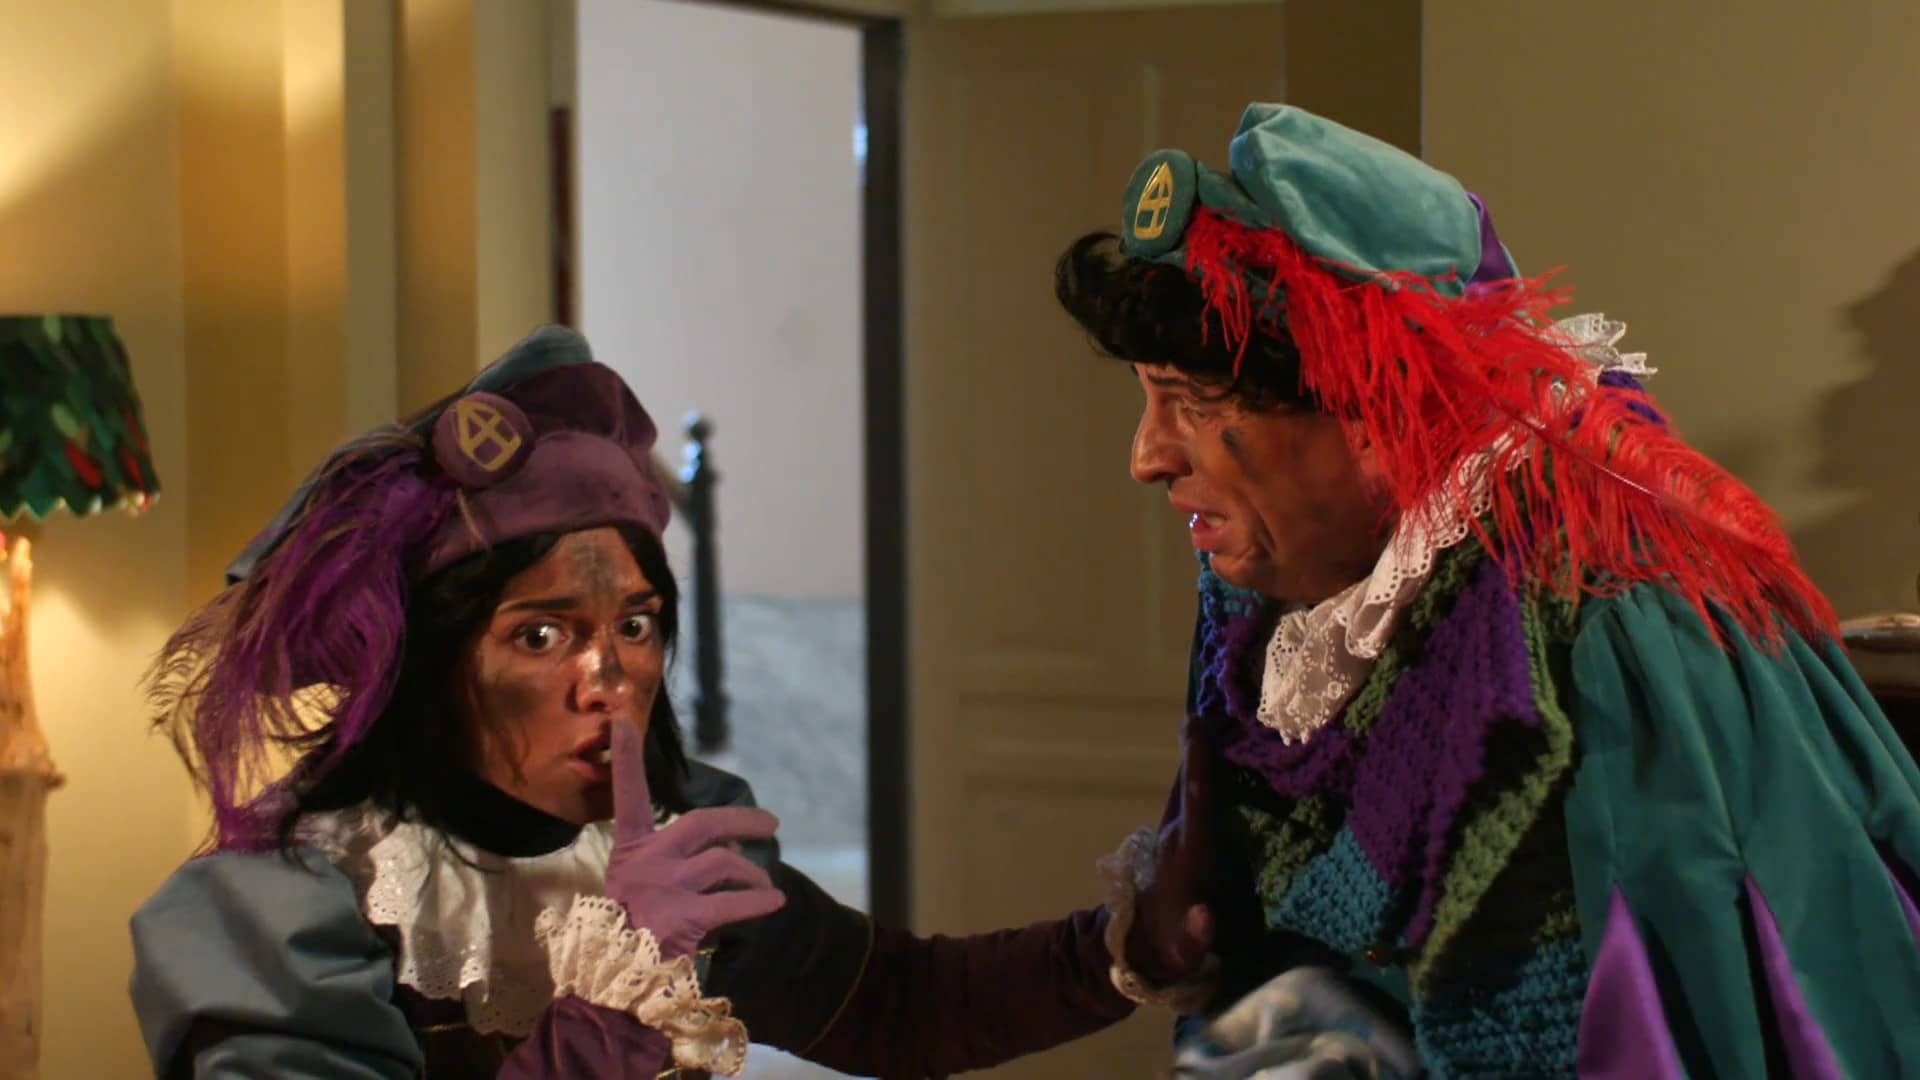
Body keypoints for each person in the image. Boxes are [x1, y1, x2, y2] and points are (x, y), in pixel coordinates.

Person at [1053, 103, 1920, 1076]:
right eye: (1149, 396)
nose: (1147, 456)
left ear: (1374, 401)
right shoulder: (1271, 612)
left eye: (1190, 400)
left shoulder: (1604, 629)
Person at [127, 327, 1218, 1078]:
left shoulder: (667, 847)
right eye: (541, 635)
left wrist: (1126, 950)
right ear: (428, 665)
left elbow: (900, 1005)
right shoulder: (299, 900)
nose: (609, 681)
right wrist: (619, 991)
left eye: (637, 626)